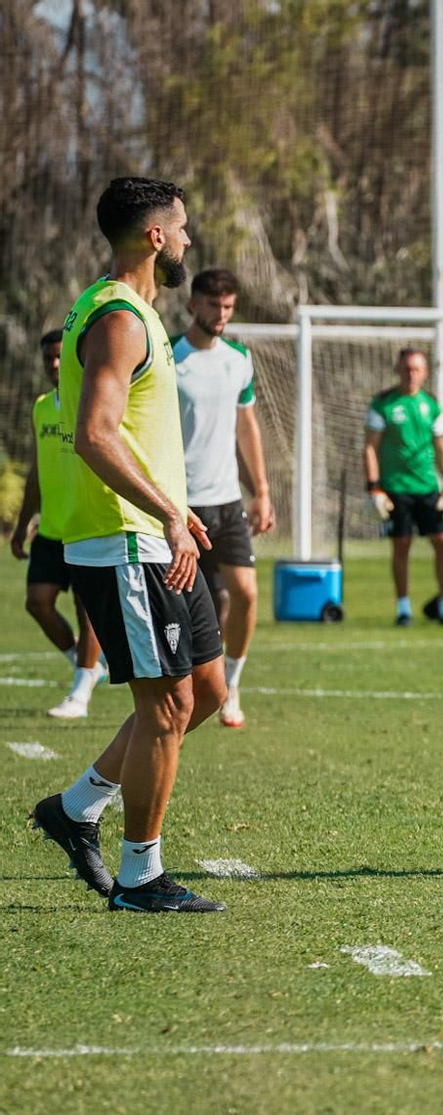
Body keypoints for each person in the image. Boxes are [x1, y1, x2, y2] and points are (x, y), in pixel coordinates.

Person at [31, 176, 229, 912]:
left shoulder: (129, 310)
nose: (186, 239)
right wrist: (167, 514)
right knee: (168, 705)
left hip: (158, 535)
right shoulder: (118, 317)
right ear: (154, 236)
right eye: (181, 228)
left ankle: (77, 806)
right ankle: (141, 877)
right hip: (126, 544)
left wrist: (176, 510)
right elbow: (92, 435)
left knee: (206, 690)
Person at [173, 267, 273, 727]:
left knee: (247, 594)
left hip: (229, 501)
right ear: (193, 304)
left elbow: (246, 426)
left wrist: (263, 492)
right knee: (200, 605)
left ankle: (231, 684)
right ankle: (186, 690)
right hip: (181, 505)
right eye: (213, 305)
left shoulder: (239, 359)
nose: (221, 315)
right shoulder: (170, 357)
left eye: (229, 307)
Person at [10, 328, 105, 718]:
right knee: (38, 602)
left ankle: (80, 694)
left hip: (87, 526)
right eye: (47, 357)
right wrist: (21, 526)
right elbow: (36, 472)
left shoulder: (93, 401)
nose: (53, 363)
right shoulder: (41, 406)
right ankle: (87, 667)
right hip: (50, 529)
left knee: (89, 612)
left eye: (58, 356)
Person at [363, 348, 443, 625]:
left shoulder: (431, 405)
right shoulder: (383, 404)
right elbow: (370, 448)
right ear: (398, 369)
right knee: (401, 545)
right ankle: (403, 609)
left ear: (425, 373)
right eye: (407, 368)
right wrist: (373, 487)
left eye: (416, 369)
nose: (411, 374)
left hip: (428, 486)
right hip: (395, 488)